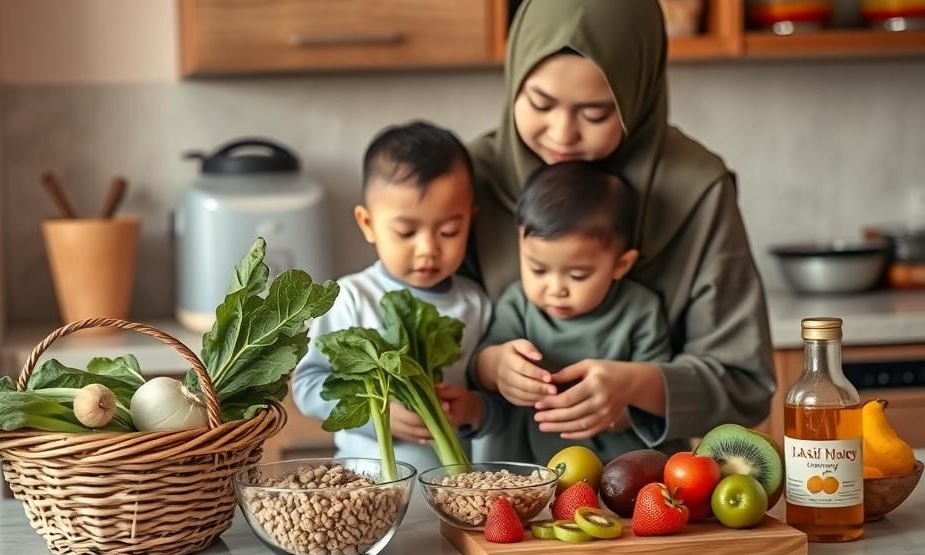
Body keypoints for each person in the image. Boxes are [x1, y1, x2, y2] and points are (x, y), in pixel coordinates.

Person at [465, 0, 776, 463]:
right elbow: (430, 339)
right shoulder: (472, 179)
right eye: (540, 103)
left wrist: (638, 387)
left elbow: (745, 385)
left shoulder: (697, 191)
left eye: (595, 113)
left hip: (642, 494)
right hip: (502, 495)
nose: (562, 134)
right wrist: (488, 368)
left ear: (638, 97)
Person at [292, 120, 503, 473]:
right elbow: (308, 385)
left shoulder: (477, 302)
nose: (427, 250)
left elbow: (499, 407)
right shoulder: (351, 298)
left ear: (471, 221)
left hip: (456, 496)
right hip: (367, 489)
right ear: (367, 224)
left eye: (450, 231)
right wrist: (377, 413)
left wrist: (472, 410)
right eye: (406, 232)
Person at [474, 160, 672, 462]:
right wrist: (497, 367)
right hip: (530, 469)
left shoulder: (640, 310)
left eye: (578, 275)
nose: (556, 288)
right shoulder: (519, 304)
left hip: (618, 470)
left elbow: (655, 394)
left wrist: (618, 409)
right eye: (538, 269)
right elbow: (481, 361)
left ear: (621, 265)